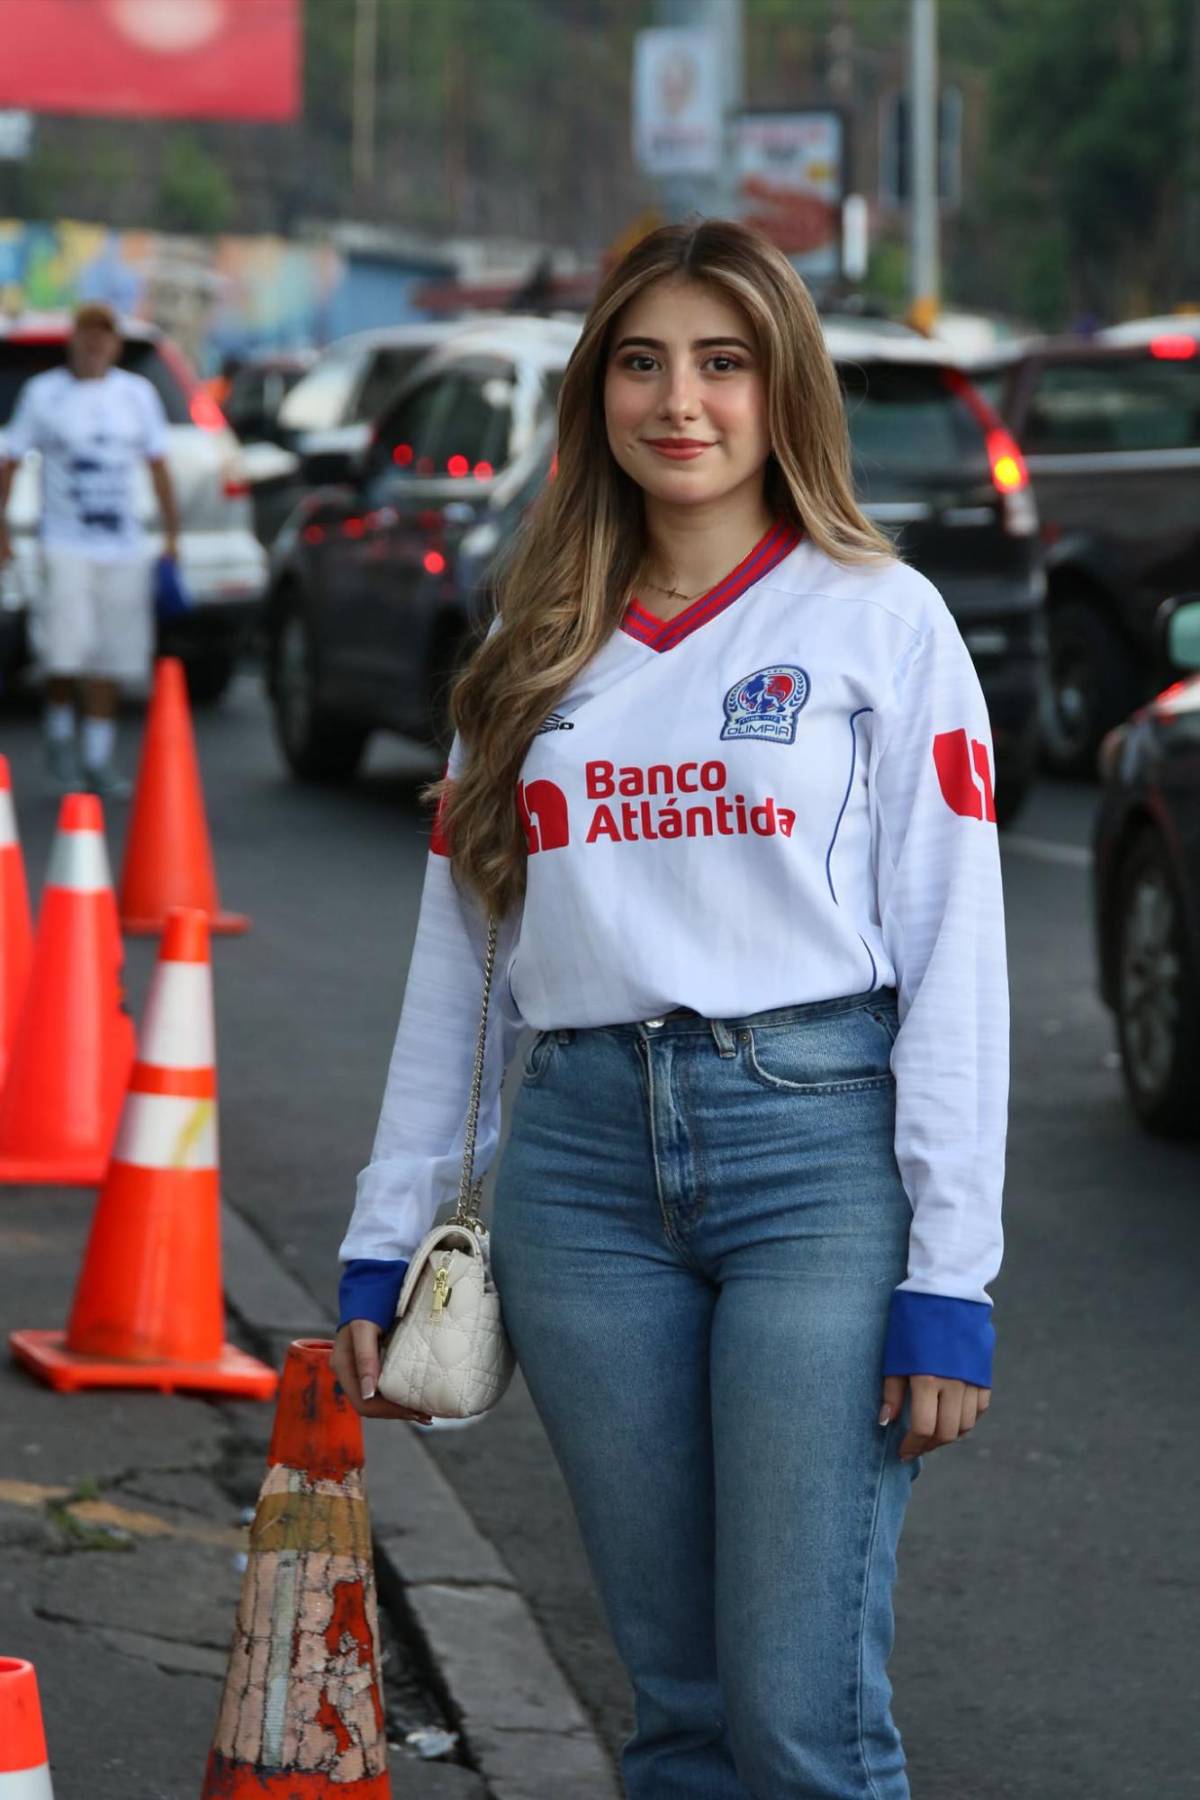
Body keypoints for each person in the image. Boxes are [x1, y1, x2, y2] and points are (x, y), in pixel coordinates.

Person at [332, 220, 1008, 1799]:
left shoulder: (881, 619)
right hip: (578, 1183)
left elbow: (957, 951)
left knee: (799, 1715)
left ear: (785, 393)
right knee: (684, 1714)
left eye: (724, 362)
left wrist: (951, 1275)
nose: (680, 401)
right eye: (642, 362)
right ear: (596, 398)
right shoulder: (529, 645)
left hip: (815, 1166)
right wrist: (388, 1228)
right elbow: (466, 970)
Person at [0, 300, 180, 797]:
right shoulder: (45, 394)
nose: (95, 343)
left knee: (112, 658)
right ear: (74, 340)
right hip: (65, 544)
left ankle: (97, 757)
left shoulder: (136, 395)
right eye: (86, 333)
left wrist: (171, 537)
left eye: (104, 334)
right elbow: (11, 459)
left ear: (115, 344)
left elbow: (159, 465)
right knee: (64, 655)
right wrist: (3, 530)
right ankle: (60, 736)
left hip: (122, 547)